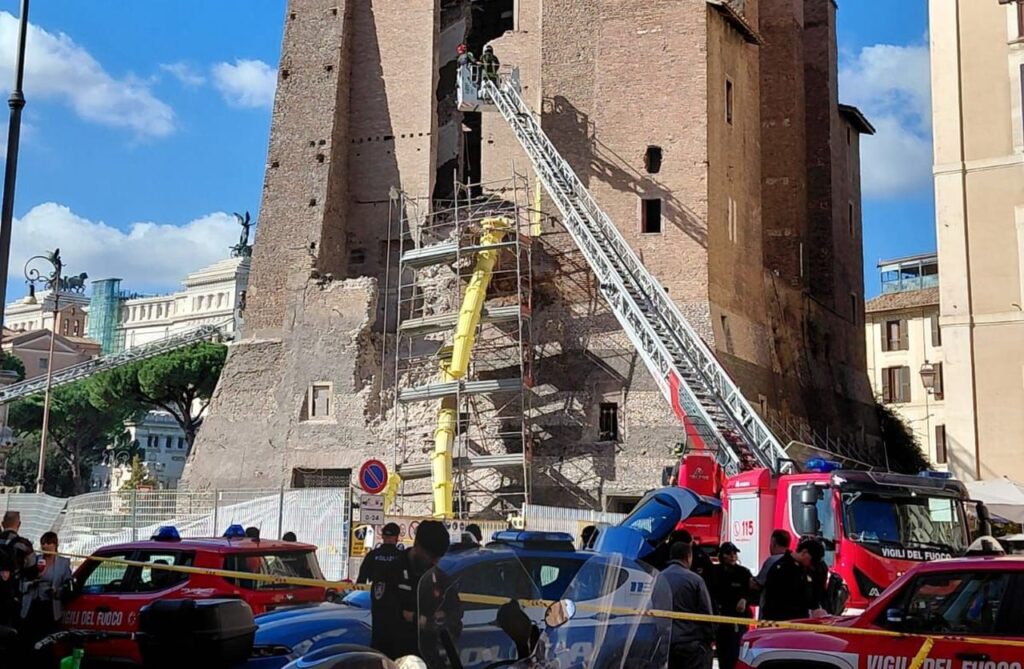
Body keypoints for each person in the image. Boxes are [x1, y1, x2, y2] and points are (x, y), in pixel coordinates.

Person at [371, 520, 459, 664]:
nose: (434, 562)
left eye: (438, 558)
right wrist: (427, 621)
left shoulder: (441, 580)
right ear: (417, 545)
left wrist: (415, 618)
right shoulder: (389, 574)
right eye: (430, 556)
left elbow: (453, 619)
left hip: (430, 660)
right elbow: (387, 619)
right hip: (394, 660)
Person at [659, 541, 714, 669]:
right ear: (688, 557)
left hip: (667, 644)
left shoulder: (659, 578)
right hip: (692, 645)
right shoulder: (695, 580)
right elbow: (706, 614)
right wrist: (710, 638)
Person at [760, 537, 827, 621]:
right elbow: (779, 602)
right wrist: (808, 612)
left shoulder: (804, 569)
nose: (811, 565)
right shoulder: (783, 569)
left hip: (799, 622)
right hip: (780, 623)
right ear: (804, 552)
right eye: (811, 560)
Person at [710, 542, 753, 669]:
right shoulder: (715, 572)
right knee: (723, 655)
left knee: (736, 654)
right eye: (729, 553)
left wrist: (745, 599)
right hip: (720, 620)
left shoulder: (743, 573)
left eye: (734, 553)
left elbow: (754, 593)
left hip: (738, 621)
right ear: (722, 556)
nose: (733, 556)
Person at [753, 529, 791, 610]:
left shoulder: (772, 561)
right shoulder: (793, 560)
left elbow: (758, 584)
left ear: (774, 543)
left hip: (771, 611)